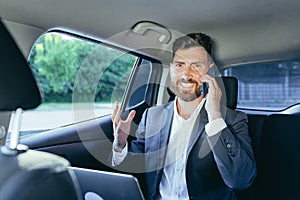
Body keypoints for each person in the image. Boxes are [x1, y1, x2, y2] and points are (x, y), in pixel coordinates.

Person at [111, 33, 256, 200]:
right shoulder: (152, 115)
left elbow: (241, 180)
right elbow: (136, 168)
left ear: (209, 69)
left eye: (196, 66)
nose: (186, 74)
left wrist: (215, 117)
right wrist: (120, 145)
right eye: (180, 65)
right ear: (172, 67)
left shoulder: (233, 119)